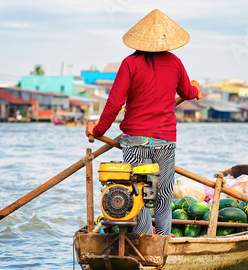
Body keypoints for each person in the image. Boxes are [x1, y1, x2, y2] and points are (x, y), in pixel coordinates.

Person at [85, 9, 201, 236]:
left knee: (138, 193)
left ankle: (145, 240)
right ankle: (163, 242)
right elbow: (187, 92)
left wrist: (97, 130)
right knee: (163, 195)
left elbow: (114, 103)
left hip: (135, 141)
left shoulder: (130, 63)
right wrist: (196, 88)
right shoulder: (175, 63)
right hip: (165, 141)